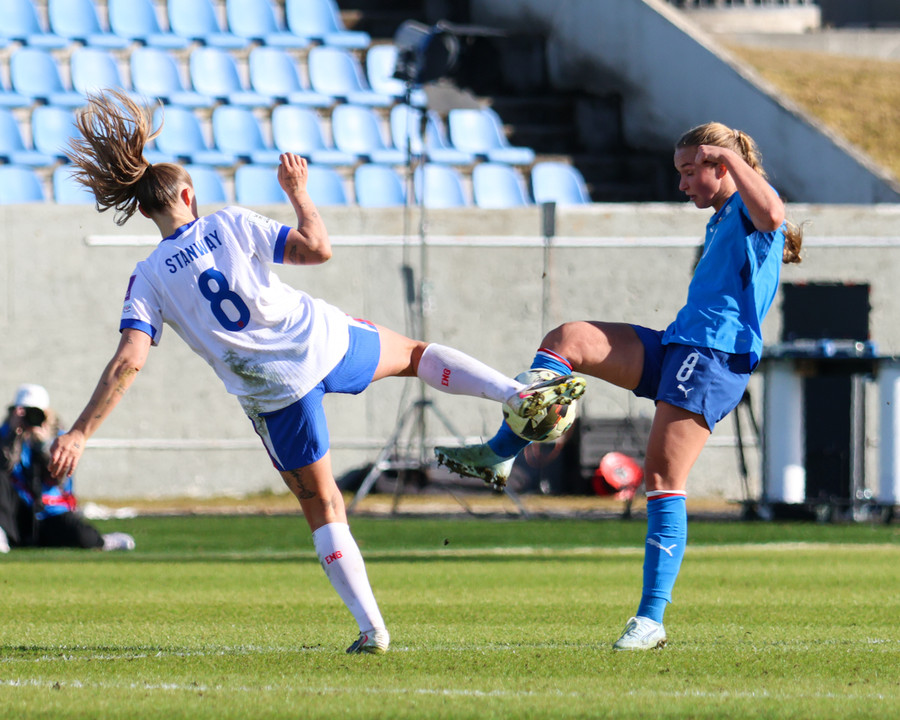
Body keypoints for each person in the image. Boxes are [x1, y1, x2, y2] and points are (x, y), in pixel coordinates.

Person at [48, 90, 585, 654]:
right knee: (416, 355)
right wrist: (299, 193)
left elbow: (129, 360)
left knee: (325, 506)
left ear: (143, 211)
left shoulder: (148, 276)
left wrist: (80, 432)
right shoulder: (229, 222)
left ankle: (372, 629)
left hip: (274, 393)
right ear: (188, 196)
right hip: (322, 341)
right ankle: (515, 392)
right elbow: (316, 248)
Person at [436, 121, 803, 650]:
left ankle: (651, 619)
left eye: (689, 171)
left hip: (713, 358)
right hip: (679, 344)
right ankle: (500, 452)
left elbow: (773, 213)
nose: (681, 184)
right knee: (568, 340)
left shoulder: (748, 205)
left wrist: (733, 159)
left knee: (662, 477)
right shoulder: (723, 214)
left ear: (721, 166)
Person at [0, 384, 135, 552]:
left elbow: (57, 478)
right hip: (16, 513)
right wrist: (12, 438)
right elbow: (4, 468)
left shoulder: (60, 439)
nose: (29, 418)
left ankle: (102, 541)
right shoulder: (4, 437)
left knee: (82, 536)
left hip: (48, 512)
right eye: (24, 412)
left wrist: (42, 446)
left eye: (36, 412)